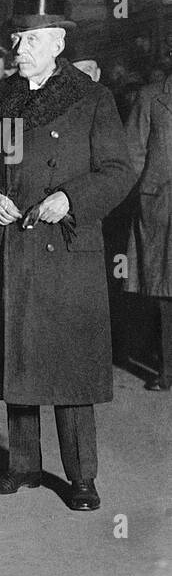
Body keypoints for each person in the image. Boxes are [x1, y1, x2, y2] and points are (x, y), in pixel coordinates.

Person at [0, 0, 137, 512]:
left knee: (69, 366)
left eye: (31, 40)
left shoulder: (92, 99)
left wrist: (70, 198)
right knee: (15, 355)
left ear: (58, 42)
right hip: (11, 245)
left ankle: (82, 476)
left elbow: (118, 171)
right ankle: (22, 466)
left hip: (65, 245)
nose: (19, 49)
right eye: (16, 38)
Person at [125, 68, 172, 391]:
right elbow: (132, 154)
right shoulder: (150, 96)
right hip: (161, 206)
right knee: (163, 293)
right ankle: (166, 368)